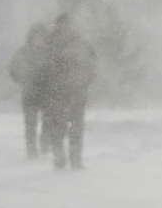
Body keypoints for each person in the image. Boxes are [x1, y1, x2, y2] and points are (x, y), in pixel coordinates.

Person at [35, 13, 97, 170]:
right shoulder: (49, 45)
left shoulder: (83, 45)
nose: (65, 28)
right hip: (55, 94)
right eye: (62, 24)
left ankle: (76, 160)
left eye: (68, 24)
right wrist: (46, 89)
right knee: (58, 128)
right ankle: (59, 158)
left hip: (77, 93)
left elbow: (92, 66)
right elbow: (41, 69)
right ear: (56, 26)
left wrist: (84, 82)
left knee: (76, 128)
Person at [9, 23, 50, 159]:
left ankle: (44, 145)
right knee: (30, 123)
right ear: (31, 37)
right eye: (35, 36)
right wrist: (22, 80)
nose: (38, 39)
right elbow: (13, 69)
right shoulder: (22, 52)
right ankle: (31, 149)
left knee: (48, 121)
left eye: (41, 36)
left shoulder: (50, 52)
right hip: (29, 92)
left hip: (47, 92)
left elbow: (57, 69)